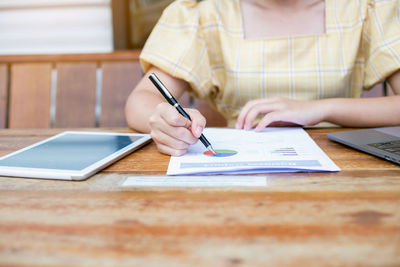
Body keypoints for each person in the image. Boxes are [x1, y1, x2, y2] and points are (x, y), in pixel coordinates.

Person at [125, 0, 400, 156]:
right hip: (239, 173)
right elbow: (140, 101)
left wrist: (320, 109)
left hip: (350, 169)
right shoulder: (203, 12)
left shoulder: (368, 7)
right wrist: (168, 122)